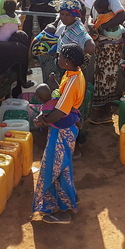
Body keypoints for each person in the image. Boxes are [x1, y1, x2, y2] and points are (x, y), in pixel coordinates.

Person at [33, 44, 87, 224]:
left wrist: (43, 120)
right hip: (68, 126)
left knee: (55, 168)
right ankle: (71, 197)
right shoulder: (74, 74)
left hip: (62, 130)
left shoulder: (72, 81)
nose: (58, 59)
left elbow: (61, 112)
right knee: (63, 165)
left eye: (61, 56)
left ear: (68, 61)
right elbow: (65, 98)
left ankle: (63, 211)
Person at [87, 0, 125, 122]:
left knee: (107, 76)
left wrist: (102, 28)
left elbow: (121, 16)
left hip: (110, 44)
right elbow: (92, 15)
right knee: (100, 75)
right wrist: (91, 25)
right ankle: (101, 108)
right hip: (102, 42)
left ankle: (106, 112)